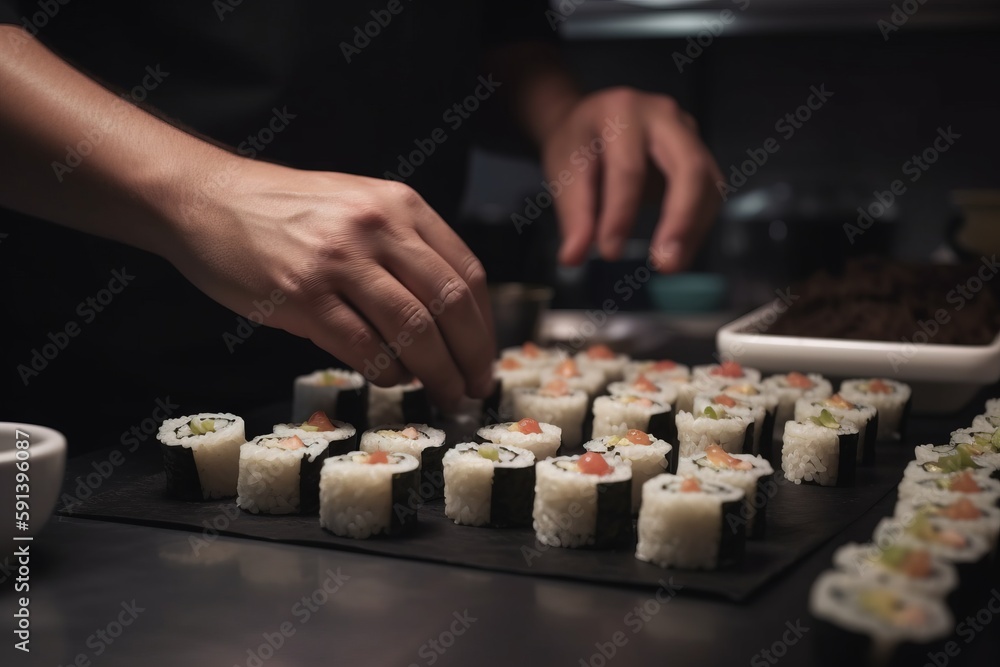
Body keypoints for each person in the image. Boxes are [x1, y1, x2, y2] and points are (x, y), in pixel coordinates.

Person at [0, 2, 720, 451]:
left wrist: (562, 111)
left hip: (411, 383)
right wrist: (200, 194)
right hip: (90, 389)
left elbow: (501, 32)